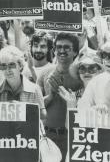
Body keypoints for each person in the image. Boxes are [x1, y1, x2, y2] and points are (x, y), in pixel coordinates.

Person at [37, 32, 82, 161]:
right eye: (58, 47)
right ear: (54, 50)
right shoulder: (44, 74)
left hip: (70, 137)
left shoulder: (81, 76)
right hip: (47, 137)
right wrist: (51, 95)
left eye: (67, 47)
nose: (62, 51)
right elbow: (34, 108)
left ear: (75, 52)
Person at [0, 46, 47, 119]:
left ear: (20, 66)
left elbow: (43, 115)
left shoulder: (34, 89)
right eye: (3, 66)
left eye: (11, 65)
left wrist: (20, 108)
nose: (8, 70)